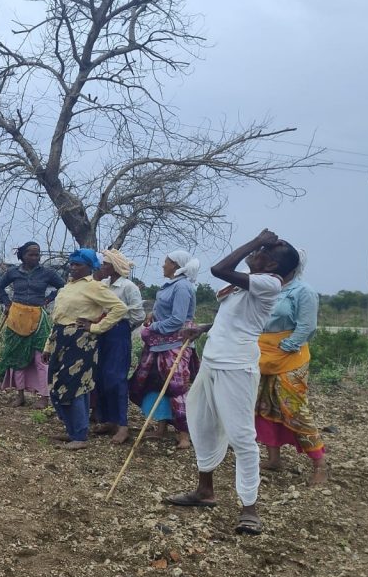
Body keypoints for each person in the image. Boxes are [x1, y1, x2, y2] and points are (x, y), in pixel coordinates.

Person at [166, 229, 300, 536]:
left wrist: (257, 240)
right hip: (213, 361)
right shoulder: (247, 284)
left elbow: (218, 269)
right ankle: (204, 491)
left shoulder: (269, 283)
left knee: (241, 437)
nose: (255, 253)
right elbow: (234, 318)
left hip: (237, 367)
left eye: (262, 252)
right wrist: (203, 328)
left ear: (272, 265)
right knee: (201, 423)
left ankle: (249, 509)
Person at [255, 250, 327, 485]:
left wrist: (285, 346)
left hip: (289, 356)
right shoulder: (270, 287)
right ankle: (274, 459)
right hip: (262, 355)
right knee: (263, 405)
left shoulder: (303, 291)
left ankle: (319, 464)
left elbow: (307, 327)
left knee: (294, 408)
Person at [43, 249, 126, 449]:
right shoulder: (68, 287)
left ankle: (80, 435)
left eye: (78, 264)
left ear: (90, 267)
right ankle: (72, 430)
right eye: (72, 264)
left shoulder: (94, 287)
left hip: (80, 341)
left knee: (75, 386)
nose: (73, 267)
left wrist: (97, 328)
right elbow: (59, 319)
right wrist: (48, 345)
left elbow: (120, 308)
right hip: (60, 338)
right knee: (56, 384)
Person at [129, 251, 200, 449]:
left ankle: (184, 435)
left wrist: (153, 327)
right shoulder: (170, 285)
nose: (163, 265)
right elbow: (166, 310)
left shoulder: (182, 287)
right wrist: (153, 314)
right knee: (157, 384)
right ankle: (161, 428)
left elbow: (177, 319)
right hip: (160, 343)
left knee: (177, 387)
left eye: (166, 262)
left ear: (175, 265)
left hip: (176, 344)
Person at [0, 241, 65, 408]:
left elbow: (63, 286)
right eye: (31, 254)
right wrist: (7, 303)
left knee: (41, 358)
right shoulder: (13, 272)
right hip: (16, 318)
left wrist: (48, 299)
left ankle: (44, 397)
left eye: (37, 255)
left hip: (38, 318)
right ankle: (20, 395)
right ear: (23, 256)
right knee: (18, 358)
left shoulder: (47, 273)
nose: (35, 258)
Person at [92, 249, 146, 444]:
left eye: (106, 264)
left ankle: (123, 425)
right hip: (101, 331)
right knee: (101, 377)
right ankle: (108, 419)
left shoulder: (128, 287)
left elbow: (138, 315)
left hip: (118, 333)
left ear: (114, 267)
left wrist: (123, 327)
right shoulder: (103, 284)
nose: (103, 267)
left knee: (116, 378)